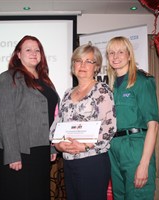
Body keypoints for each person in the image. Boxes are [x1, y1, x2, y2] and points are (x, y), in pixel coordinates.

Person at [0, 35, 59, 200]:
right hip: (19, 151)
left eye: (37, 50)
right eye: (28, 49)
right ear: (18, 54)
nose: (34, 53)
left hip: (41, 150)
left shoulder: (46, 80)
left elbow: (52, 115)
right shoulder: (9, 77)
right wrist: (13, 154)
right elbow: (5, 118)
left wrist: (52, 146)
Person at [49, 43, 116, 200]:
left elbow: (109, 127)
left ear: (97, 66)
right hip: (69, 161)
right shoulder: (67, 93)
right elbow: (56, 124)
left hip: (92, 161)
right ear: (73, 65)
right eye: (78, 60)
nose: (83, 65)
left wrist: (84, 146)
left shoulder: (102, 90)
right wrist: (58, 144)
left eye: (89, 61)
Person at [106, 36, 159, 200]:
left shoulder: (142, 81)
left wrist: (144, 164)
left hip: (135, 147)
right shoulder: (110, 86)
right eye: (111, 52)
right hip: (113, 147)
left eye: (121, 51)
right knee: (119, 196)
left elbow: (153, 125)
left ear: (129, 55)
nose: (115, 56)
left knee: (138, 195)